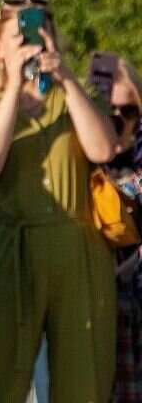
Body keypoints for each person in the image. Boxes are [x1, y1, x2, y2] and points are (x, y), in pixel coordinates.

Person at [0, 0, 118, 403]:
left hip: (79, 248)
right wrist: (14, 85)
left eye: (40, 33)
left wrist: (65, 76)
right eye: (19, 36)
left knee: (84, 379)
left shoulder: (77, 97)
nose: (32, 44)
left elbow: (103, 148)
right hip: (11, 249)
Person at [95, 54, 142, 403]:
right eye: (110, 110)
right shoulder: (83, 159)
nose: (119, 119)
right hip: (91, 298)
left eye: (128, 110)